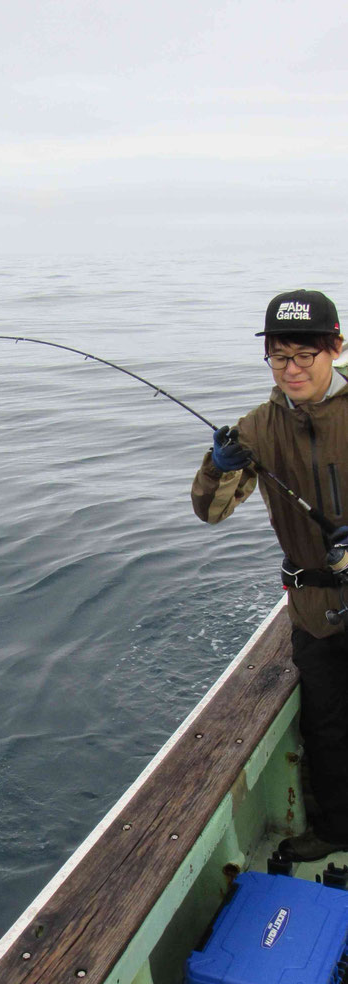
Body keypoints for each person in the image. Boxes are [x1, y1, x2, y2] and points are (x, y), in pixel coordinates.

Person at [191, 288, 348, 862]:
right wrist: (219, 466)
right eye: (279, 356)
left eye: (304, 355)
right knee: (326, 729)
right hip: (313, 610)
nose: (291, 369)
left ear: (336, 347)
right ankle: (335, 830)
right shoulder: (257, 428)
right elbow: (211, 512)